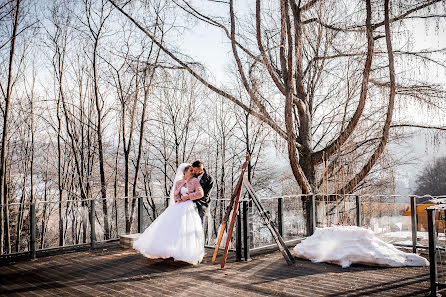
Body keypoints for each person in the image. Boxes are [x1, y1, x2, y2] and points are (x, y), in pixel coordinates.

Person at [133, 163, 205, 264]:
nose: (193, 172)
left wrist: (188, 197)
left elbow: (200, 193)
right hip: (178, 206)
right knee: (172, 228)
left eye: (193, 170)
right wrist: (179, 198)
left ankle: (182, 253)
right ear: (185, 172)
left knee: (185, 229)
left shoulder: (195, 181)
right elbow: (175, 195)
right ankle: (169, 250)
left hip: (188, 207)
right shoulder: (179, 182)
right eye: (190, 171)